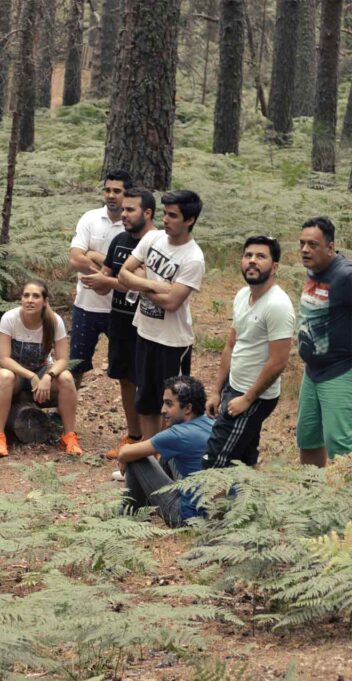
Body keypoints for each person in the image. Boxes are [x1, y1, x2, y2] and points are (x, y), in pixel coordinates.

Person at [118, 190, 205, 439]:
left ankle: (167, 462)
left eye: (173, 215)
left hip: (172, 343)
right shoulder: (153, 238)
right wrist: (155, 285)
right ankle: (148, 460)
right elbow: (124, 275)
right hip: (145, 332)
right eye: (165, 214)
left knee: (172, 405)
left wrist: (142, 281)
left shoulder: (193, 258)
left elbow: (172, 302)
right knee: (145, 400)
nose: (165, 219)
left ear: (189, 220)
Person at [203, 236, 294, 469]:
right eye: (248, 255)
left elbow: (278, 361)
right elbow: (232, 344)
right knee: (242, 459)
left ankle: (208, 506)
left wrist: (247, 398)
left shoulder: (278, 305)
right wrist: (217, 391)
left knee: (215, 461)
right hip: (235, 387)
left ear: (274, 267)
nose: (252, 261)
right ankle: (244, 503)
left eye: (261, 256)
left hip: (255, 395)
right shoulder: (243, 295)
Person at [81, 188, 157, 459]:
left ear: (147, 213)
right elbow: (107, 281)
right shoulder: (120, 240)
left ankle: (152, 444)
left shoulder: (157, 243)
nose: (123, 214)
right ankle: (133, 436)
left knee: (147, 383)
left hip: (149, 325)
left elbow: (151, 287)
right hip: (120, 321)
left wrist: (112, 282)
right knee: (125, 379)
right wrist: (96, 281)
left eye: (130, 210)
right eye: (123, 209)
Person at [0, 280, 82, 456]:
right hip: (13, 372)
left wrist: (48, 376)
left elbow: (63, 359)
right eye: (26, 295)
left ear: (45, 301)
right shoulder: (10, 318)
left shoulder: (54, 321)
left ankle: (69, 436)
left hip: (41, 370)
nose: (30, 300)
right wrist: (31, 376)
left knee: (67, 378)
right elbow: (4, 359)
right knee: (5, 377)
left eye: (36, 296)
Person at [117, 376, 212, 528]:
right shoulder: (209, 422)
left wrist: (127, 456)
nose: (162, 410)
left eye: (169, 404)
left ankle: (129, 514)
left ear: (187, 408)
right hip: (212, 512)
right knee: (166, 454)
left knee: (136, 458)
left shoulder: (178, 434)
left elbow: (124, 453)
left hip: (186, 518)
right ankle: (151, 503)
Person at [295, 217, 352, 466]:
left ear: (330, 247)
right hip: (312, 373)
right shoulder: (314, 269)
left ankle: (343, 502)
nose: (305, 250)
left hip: (339, 371)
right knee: (307, 439)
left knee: (341, 447)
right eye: (302, 243)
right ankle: (312, 499)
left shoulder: (345, 275)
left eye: (313, 244)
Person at [67, 169, 132, 379]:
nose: (111, 195)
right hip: (86, 306)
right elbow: (75, 259)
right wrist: (110, 271)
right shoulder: (90, 218)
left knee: (126, 370)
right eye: (107, 190)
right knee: (75, 365)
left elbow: (136, 273)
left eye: (117, 191)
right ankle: (64, 411)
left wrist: (95, 255)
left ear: (127, 194)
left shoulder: (134, 225)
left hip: (121, 309)